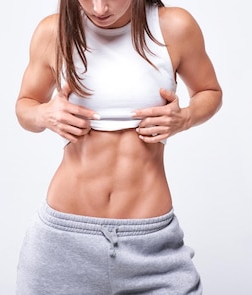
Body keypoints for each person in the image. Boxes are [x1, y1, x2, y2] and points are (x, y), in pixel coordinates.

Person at [15, 0, 221, 293]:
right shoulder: (53, 32)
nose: (99, 8)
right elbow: (25, 105)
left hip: (151, 246)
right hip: (63, 243)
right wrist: (43, 114)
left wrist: (185, 117)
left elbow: (208, 91)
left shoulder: (174, 27)